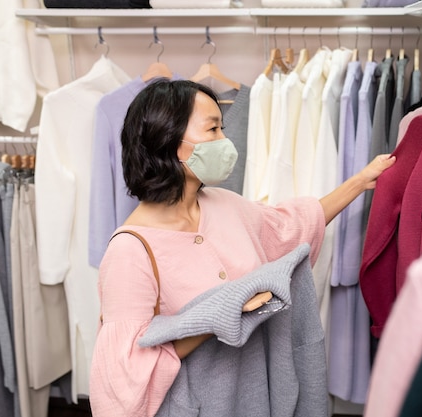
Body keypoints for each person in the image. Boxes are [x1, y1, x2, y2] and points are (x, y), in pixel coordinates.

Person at [89, 79, 396, 416]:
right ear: (172, 141)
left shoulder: (225, 205)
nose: (225, 141)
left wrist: (360, 182)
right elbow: (125, 378)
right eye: (213, 129)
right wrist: (223, 314)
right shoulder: (129, 252)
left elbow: (291, 227)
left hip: (256, 401)